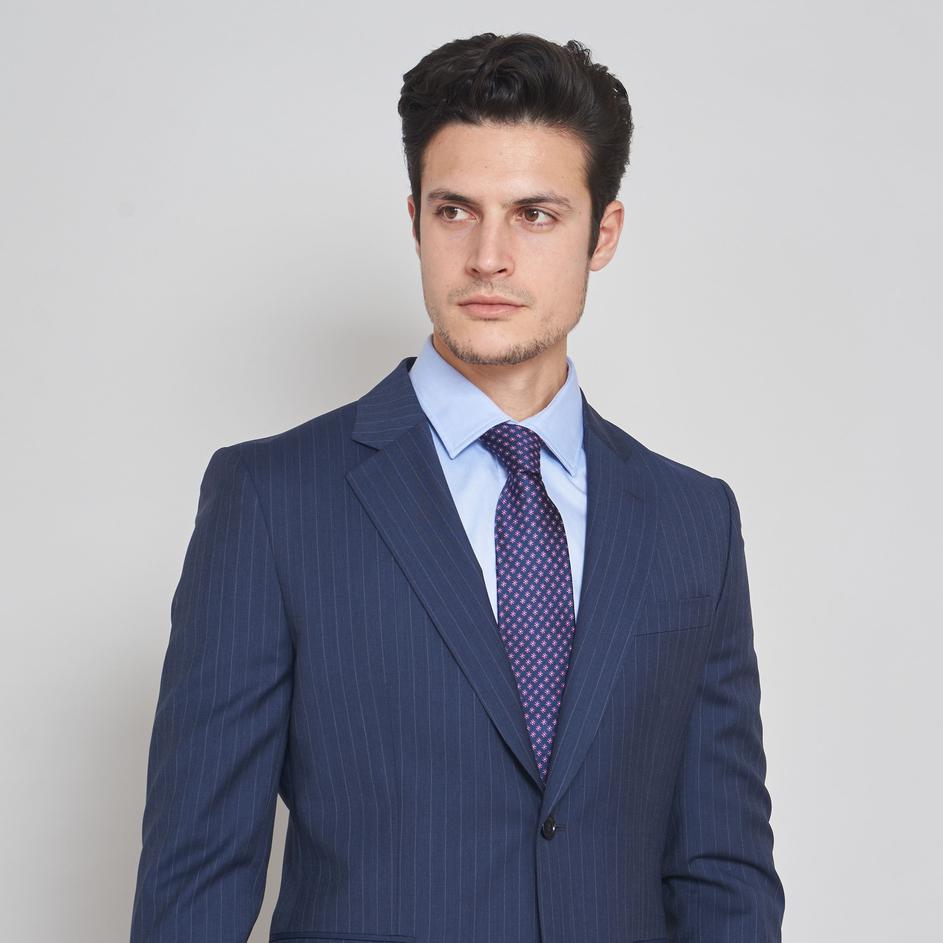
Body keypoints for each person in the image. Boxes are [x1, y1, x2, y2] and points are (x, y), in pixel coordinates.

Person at [130, 31, 785, 943]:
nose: (487, 256)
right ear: (415, 222)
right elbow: (195, 876)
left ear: (602, 234)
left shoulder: (691, 520)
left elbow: (723, 874)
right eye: (454, 211)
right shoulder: (273, 502)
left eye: (535, 214)